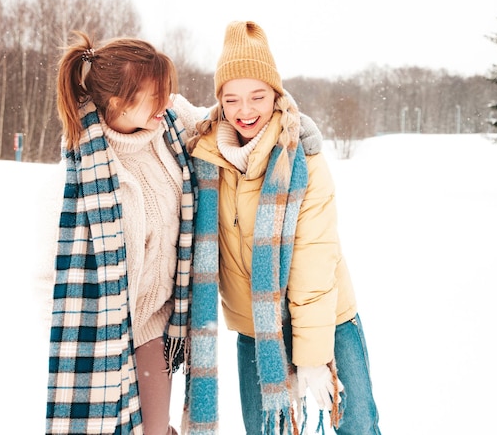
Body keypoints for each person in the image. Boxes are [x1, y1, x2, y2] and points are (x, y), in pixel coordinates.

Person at [183, 21, 381, 435]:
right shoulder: (204, 159)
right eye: (232, 98)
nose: (245, 110)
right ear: (219, 101)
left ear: (276, 94)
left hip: (328, 319)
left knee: (357, 427)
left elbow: (313, 257)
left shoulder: (303, 161)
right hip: (255, 331)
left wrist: (312, 354)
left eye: (258, 95)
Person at [45, 30, 207, 435]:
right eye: (155, 94)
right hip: (108, 329)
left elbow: (231, 121)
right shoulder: (88, 168)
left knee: (154, 429)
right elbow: (58, 267)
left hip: (156, 323)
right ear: (116, 101)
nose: (166, 101)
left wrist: (294, 122)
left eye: (168, 91)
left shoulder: (171, 124)